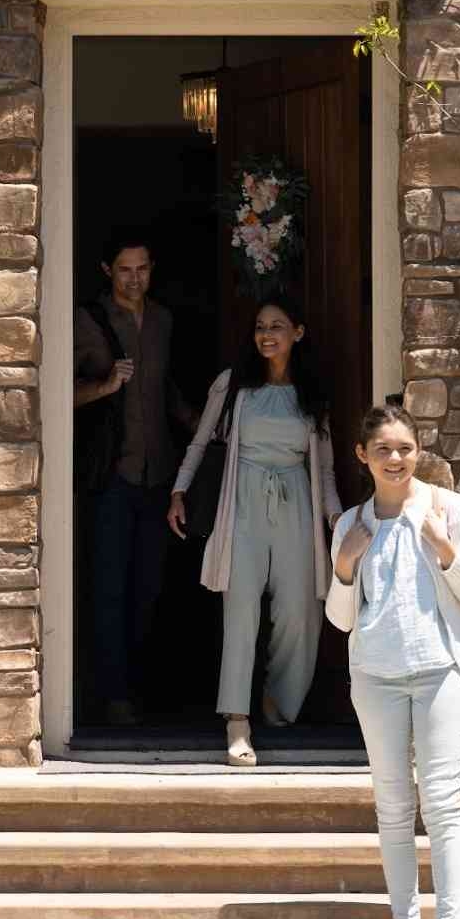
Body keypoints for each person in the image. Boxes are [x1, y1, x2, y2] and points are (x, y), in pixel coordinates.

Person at [326, 405, 460, 919]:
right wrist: (346, 566)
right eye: (383, 450)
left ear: (418, 450)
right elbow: (342, 619)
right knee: (394, 810)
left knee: (443, 805)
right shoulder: (350, 523)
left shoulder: (449, 509)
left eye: (405, 448)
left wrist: (444, 547)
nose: (395, 459)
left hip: (441, 670)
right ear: (363, 456)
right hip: (376, 677)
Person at [168, 297, 341, 767]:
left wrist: (335, 517)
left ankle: (279, 701)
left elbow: (323, 467)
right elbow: (201, 439)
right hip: (241, 501)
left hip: (295, 502)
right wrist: (179, 491)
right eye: (261, 326)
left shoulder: (311, 391)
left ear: (297, 333)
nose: (268, 334)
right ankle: (237, 721)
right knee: (240, 611)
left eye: (278, 326)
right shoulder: (234, 385)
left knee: (300, 611)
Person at [75, 238, 192, 726]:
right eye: (125, 270)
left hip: (158, 475)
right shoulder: (87, 320)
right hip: (112, 475)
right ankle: (112, 696)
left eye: (142, 268)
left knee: (148, 587)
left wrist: (209, 428)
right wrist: (106, 385)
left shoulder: (164, 321)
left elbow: (168, 392)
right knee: (108, 588)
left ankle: (142, 691)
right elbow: (58, 393)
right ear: (107, 270)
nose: (134, 279)